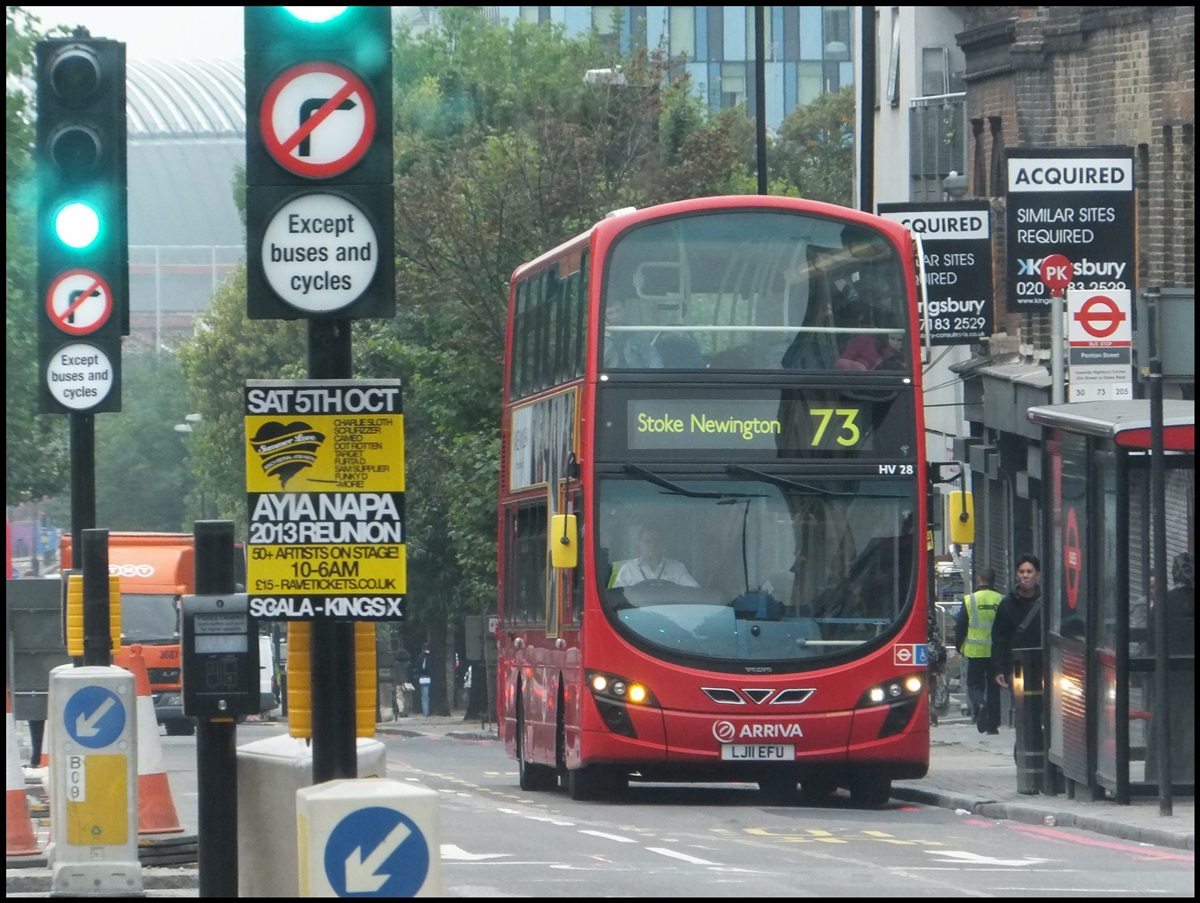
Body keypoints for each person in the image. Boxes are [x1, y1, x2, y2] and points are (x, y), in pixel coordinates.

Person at [954, 567, 1002, 734]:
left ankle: (980, 705)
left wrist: (958, 645)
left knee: (974, 686)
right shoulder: (1001, 599)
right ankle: (993, 725)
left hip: (975, 651)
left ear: (979, 579)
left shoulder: (970, 600)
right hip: (996, 652)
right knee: (994, 687)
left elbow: (961, 626)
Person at [992, 554, 1042, 692]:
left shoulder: (1047, 603)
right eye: (1021, 572)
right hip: (1016, 667)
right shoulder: (1007, 604)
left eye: (1029, 572)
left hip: (1044, 667)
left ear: (1037, 575)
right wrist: (999, 669)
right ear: (1016, 576)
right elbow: (999, 640)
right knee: (1021, 708)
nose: (1025, 576)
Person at [612, 526, 699, 587]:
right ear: (639, 544)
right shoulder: (628, 569)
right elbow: (617, 598)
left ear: (663, 543)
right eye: (647, 542)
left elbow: (693, 592)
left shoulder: (677, 568)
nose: (652, 546)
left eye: (657, 541)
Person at [603, 297, 662, 368]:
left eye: (618, 311)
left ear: (624, 310)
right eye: (610, 313)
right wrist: (607, 334)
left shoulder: (636, 335)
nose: (615, 316)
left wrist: (654, 377)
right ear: (605, 316)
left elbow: (653, 359)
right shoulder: (600, 337)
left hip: (634, 376)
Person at [415, 643, 434, 717]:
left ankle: (425, 712)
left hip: (423, 677)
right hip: (431, 677)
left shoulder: (420, 656)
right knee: (430, 695)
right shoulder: (432, 657)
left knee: (424, 696)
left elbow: (418, 668)